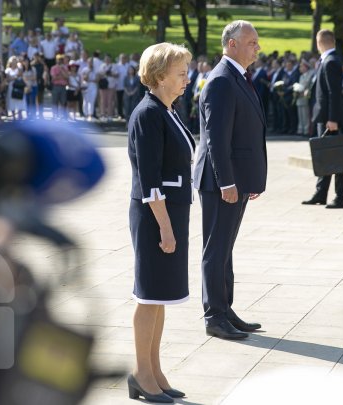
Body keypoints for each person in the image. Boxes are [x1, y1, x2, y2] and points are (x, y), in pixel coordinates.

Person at [127, 42, 194, 404]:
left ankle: (154, 370)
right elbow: (149, 180)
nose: (187, 79)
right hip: (156, 216)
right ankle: (142, 374)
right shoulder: (149, 113)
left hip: (170, 213)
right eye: (181, 73)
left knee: (159, 297)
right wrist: (166, 228)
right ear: (159, 76)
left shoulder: (168, 109)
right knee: (148, 296)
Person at [193, 20, 267, 340]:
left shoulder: (237, 77)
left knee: (225, 248)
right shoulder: (222, 81)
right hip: (220, 181)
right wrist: (227, 183)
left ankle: (225, 308)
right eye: (252, 42)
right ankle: (214, 315)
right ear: (232, 44)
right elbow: (216, 139)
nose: (257, 47)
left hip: (235, 179)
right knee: (216, 248)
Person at [301, 29, 343, 209]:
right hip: (325, 116)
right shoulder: (327, 60)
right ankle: (321, 193)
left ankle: (340, 196)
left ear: (319, 43)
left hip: (330, 118)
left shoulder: (331, 62)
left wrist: (333, 118)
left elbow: (334, 93)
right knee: (326, 156)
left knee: (336, 157)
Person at [294, 60, 313, 136]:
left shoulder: (309, 75)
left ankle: (306, 130)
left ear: (305, 67)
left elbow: (307, 85)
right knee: (300, 114)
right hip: (299, 97)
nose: (300, 68)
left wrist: (301, 89)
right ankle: (300, 129)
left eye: (301, 66)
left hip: (305, 97)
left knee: (305, 115)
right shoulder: (301, 76)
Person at [50, 54, 69, 120]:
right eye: (59, 59)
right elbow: (54, 78)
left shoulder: (65, 68)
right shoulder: (53, 68)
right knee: (54, 102)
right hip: (56, 86)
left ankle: (62, 115)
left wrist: (61, 70)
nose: (60, 61)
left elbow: (67, 77)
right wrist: (61, 76)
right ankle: (55, 115)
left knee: (63, 102)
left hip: (63, 86)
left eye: (61, 59)